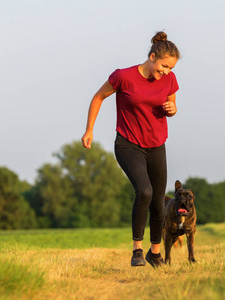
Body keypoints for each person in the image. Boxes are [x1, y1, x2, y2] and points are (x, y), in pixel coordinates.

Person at [81, 31, 180, 268]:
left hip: (157, 143)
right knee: (144, 191)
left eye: (171, 68)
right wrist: (89, 130)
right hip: (128, 143)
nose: (166, 71)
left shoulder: (169, 79)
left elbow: (173, 104)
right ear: (153, 56)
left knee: (158, 201)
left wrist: (172, 109)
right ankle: (137, 249)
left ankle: (154, 253)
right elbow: (98, 97)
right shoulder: (123, 76)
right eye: (164, 66)